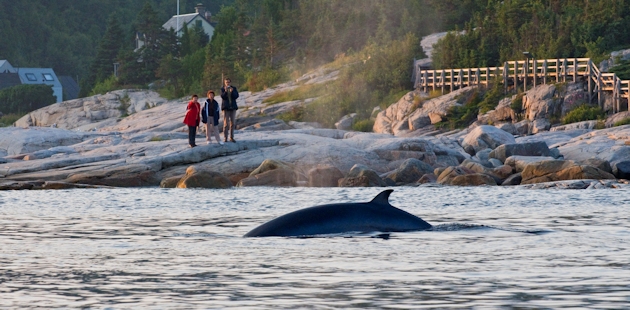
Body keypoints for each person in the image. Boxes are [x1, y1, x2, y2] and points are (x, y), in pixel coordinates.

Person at [220, 77, 239, 142]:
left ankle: (231, 137)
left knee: (233, 123)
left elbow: (236, 96)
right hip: (226, 108)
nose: (227, 83)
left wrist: (232, 92)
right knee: (225, 124)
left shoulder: (234, 88)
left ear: (230, 82)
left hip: (233, 107)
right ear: (224, 83)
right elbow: (222, 97)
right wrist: (225, 91)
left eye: (228, 82)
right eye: (226, 82)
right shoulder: (222, 89)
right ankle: (225, 138)